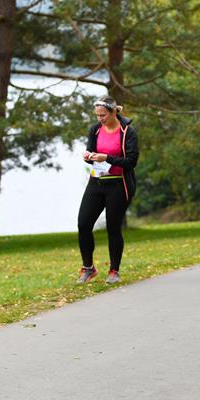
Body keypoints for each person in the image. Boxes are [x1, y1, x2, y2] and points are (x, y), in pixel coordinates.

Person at [77, 96, 139, 284]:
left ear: (113, 112)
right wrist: (88, 156)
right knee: (83, 224)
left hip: (119, 185)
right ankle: (88, 268)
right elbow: (91, 152)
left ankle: (114, 271)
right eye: (97, 115)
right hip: (96, 182)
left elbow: (131, 162)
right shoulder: (95, 130)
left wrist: (107, 158)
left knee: (113, 227)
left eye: (103, 115)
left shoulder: (127, 132)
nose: (100, 119)